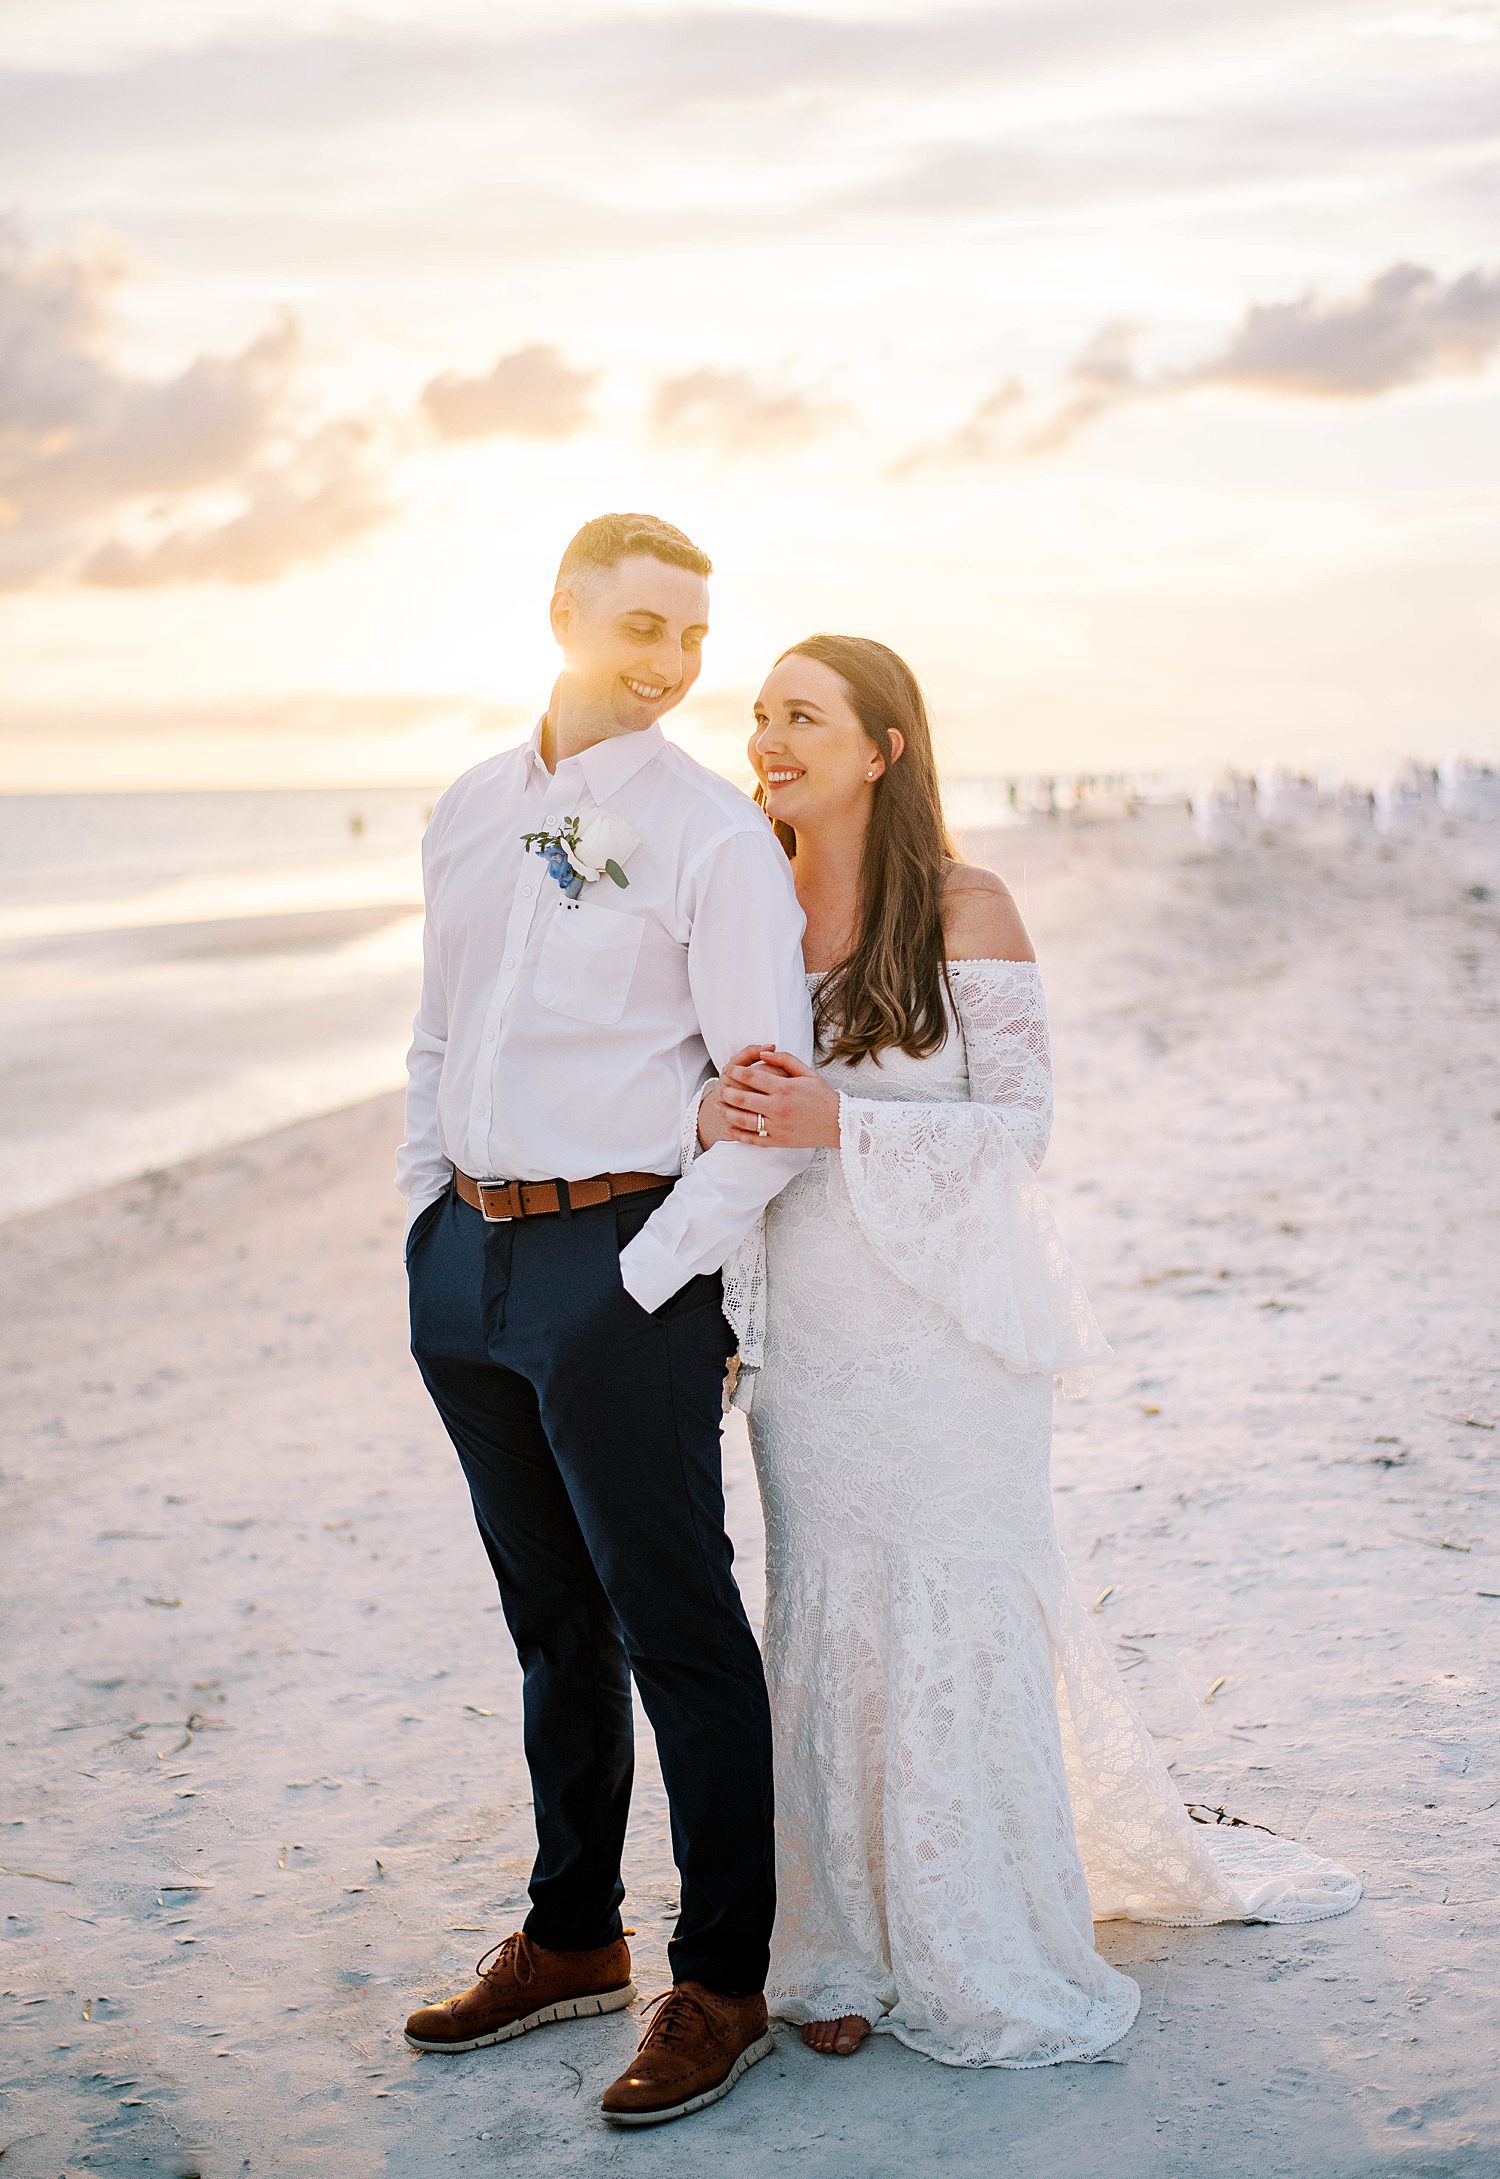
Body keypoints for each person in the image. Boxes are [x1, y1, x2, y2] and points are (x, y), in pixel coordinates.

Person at [694, 634, 1360, 2067]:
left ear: (880, 748)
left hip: (947, 1334)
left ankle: (970, 1927)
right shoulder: (738, 903)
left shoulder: (964, 901)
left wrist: (839, 1126)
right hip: (808, 1336)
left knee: (952, 1602)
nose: (769, 739)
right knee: (829, 1607)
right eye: (758, 717)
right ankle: (844, 1944)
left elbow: (1023, 1127)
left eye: (801, 717)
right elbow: (693, 1087)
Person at [396, 514, 815, 2127]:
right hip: (471, 1269)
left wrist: (648, 1277)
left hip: (620, 1265)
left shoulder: (710, 834)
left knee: (677, 1626)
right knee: (548, 1624)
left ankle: (721, 1981)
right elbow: (439, 1024)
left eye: (694, 637)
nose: (673, 663)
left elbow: (765, 1101)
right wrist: (429, 1221)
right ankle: (573, 1935)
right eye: (642, 626)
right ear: (562, 615)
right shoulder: (468, 806)